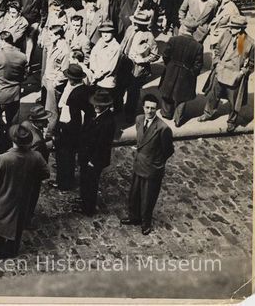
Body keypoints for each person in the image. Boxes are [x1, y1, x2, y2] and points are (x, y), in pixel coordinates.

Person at [0, 124, 50, 259]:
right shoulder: (36, 156)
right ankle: (12, 250)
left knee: (1, 224)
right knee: (18, 224)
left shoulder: (4, 158)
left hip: (4, 198)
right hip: (23, 197)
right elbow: (45, 173)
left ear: (13, 140)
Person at [121, 95, 174, 235]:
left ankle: (146, 223)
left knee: (148, 198)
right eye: (147, 107)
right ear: (143, 107)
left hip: (152, 168)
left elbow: (168, 150)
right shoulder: (139, 119)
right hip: (139, 164)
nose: (149, 111)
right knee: (134, 194)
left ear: (157, 109)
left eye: (152, 108)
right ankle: (134, 217)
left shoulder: (162, 128)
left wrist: (156, 162)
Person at [199, 15, 255, 133]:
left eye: (233, 28)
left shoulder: (248, 43)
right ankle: (208, 113)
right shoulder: (227, 34)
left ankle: (231, 122)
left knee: (234, 102)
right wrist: (217, 63)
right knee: (214, 95)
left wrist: (241, 73)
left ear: (240, 29)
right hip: (220, 71)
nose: (230, 29)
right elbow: (217, 48)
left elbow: (251, 62)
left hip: (234, 76)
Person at [75, 89, 116, 216]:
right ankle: (83, 199)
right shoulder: (95, 114)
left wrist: (93, 161)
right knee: (84, 179)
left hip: (94, 159)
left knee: (91, 184)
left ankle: (88, 208)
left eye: (100, 105)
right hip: (86, 154)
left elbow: (103, 145)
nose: (96, 107)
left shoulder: (108, 122)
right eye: (95, 104)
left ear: (106, 106)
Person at [54, 64, 94, 190]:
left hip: (69, 131)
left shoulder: (74, 95)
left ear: (71, 79)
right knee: (70, 157)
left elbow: (72, 118)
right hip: (80, 130)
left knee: (64, 157)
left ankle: (63, 184)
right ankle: (68, 181)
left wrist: (61, 130)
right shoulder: (85, 89)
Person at [118, 10, 161, 123]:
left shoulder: (149, 36)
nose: (135, 25)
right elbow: (123, 43)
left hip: (137, 67)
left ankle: (129, 115)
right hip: (124, 63)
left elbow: (155, 55)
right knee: (120, 89)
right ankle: (117, 110)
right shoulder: (130, 29)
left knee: (133, 93)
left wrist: (142, 60)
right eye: (135, 22)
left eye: (138, 23)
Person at [159, 32, 203, 127]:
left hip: (171, 70)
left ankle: (167, 114)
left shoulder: (173, 40)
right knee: (182, 98)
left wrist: (170, 65)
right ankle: (178, 119)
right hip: (186, 74)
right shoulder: (198, 46)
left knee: (167, 93)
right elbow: (198, 65)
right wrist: (192, 73)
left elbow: (165, 55)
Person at [0, 31, 28, 128]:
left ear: (3, 41)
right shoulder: (23, 57)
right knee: (13, 125)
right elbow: (25, 76)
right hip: (15, 95)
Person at [42, 23, 71, 134]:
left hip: (54, 83)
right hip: (47, 78)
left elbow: (65, 71)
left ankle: (50, 132)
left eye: (52, 35)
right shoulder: (53, 44)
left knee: (52, 110)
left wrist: (55, 83)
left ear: (58, 36)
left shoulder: (64, 50)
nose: (50, 37)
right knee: (46, 107)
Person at [18, 0, 47, 68]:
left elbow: (44, 9)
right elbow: (16, 0)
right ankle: (19, 62)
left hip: (34, 20)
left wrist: (41, 24)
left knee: (30, 42)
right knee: (19, 40)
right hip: (22, 18)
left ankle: (27, 65)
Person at [87, 21, 121, 97]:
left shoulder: (116, 47)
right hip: (96, 78)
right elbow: (93, 55)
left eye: (108, 32)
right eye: (103, 32)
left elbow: (109, 67)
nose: (105, 35)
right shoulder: (101, 41)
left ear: (112, 32)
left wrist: (96, 76)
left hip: (106, 82)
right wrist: (94, 70)